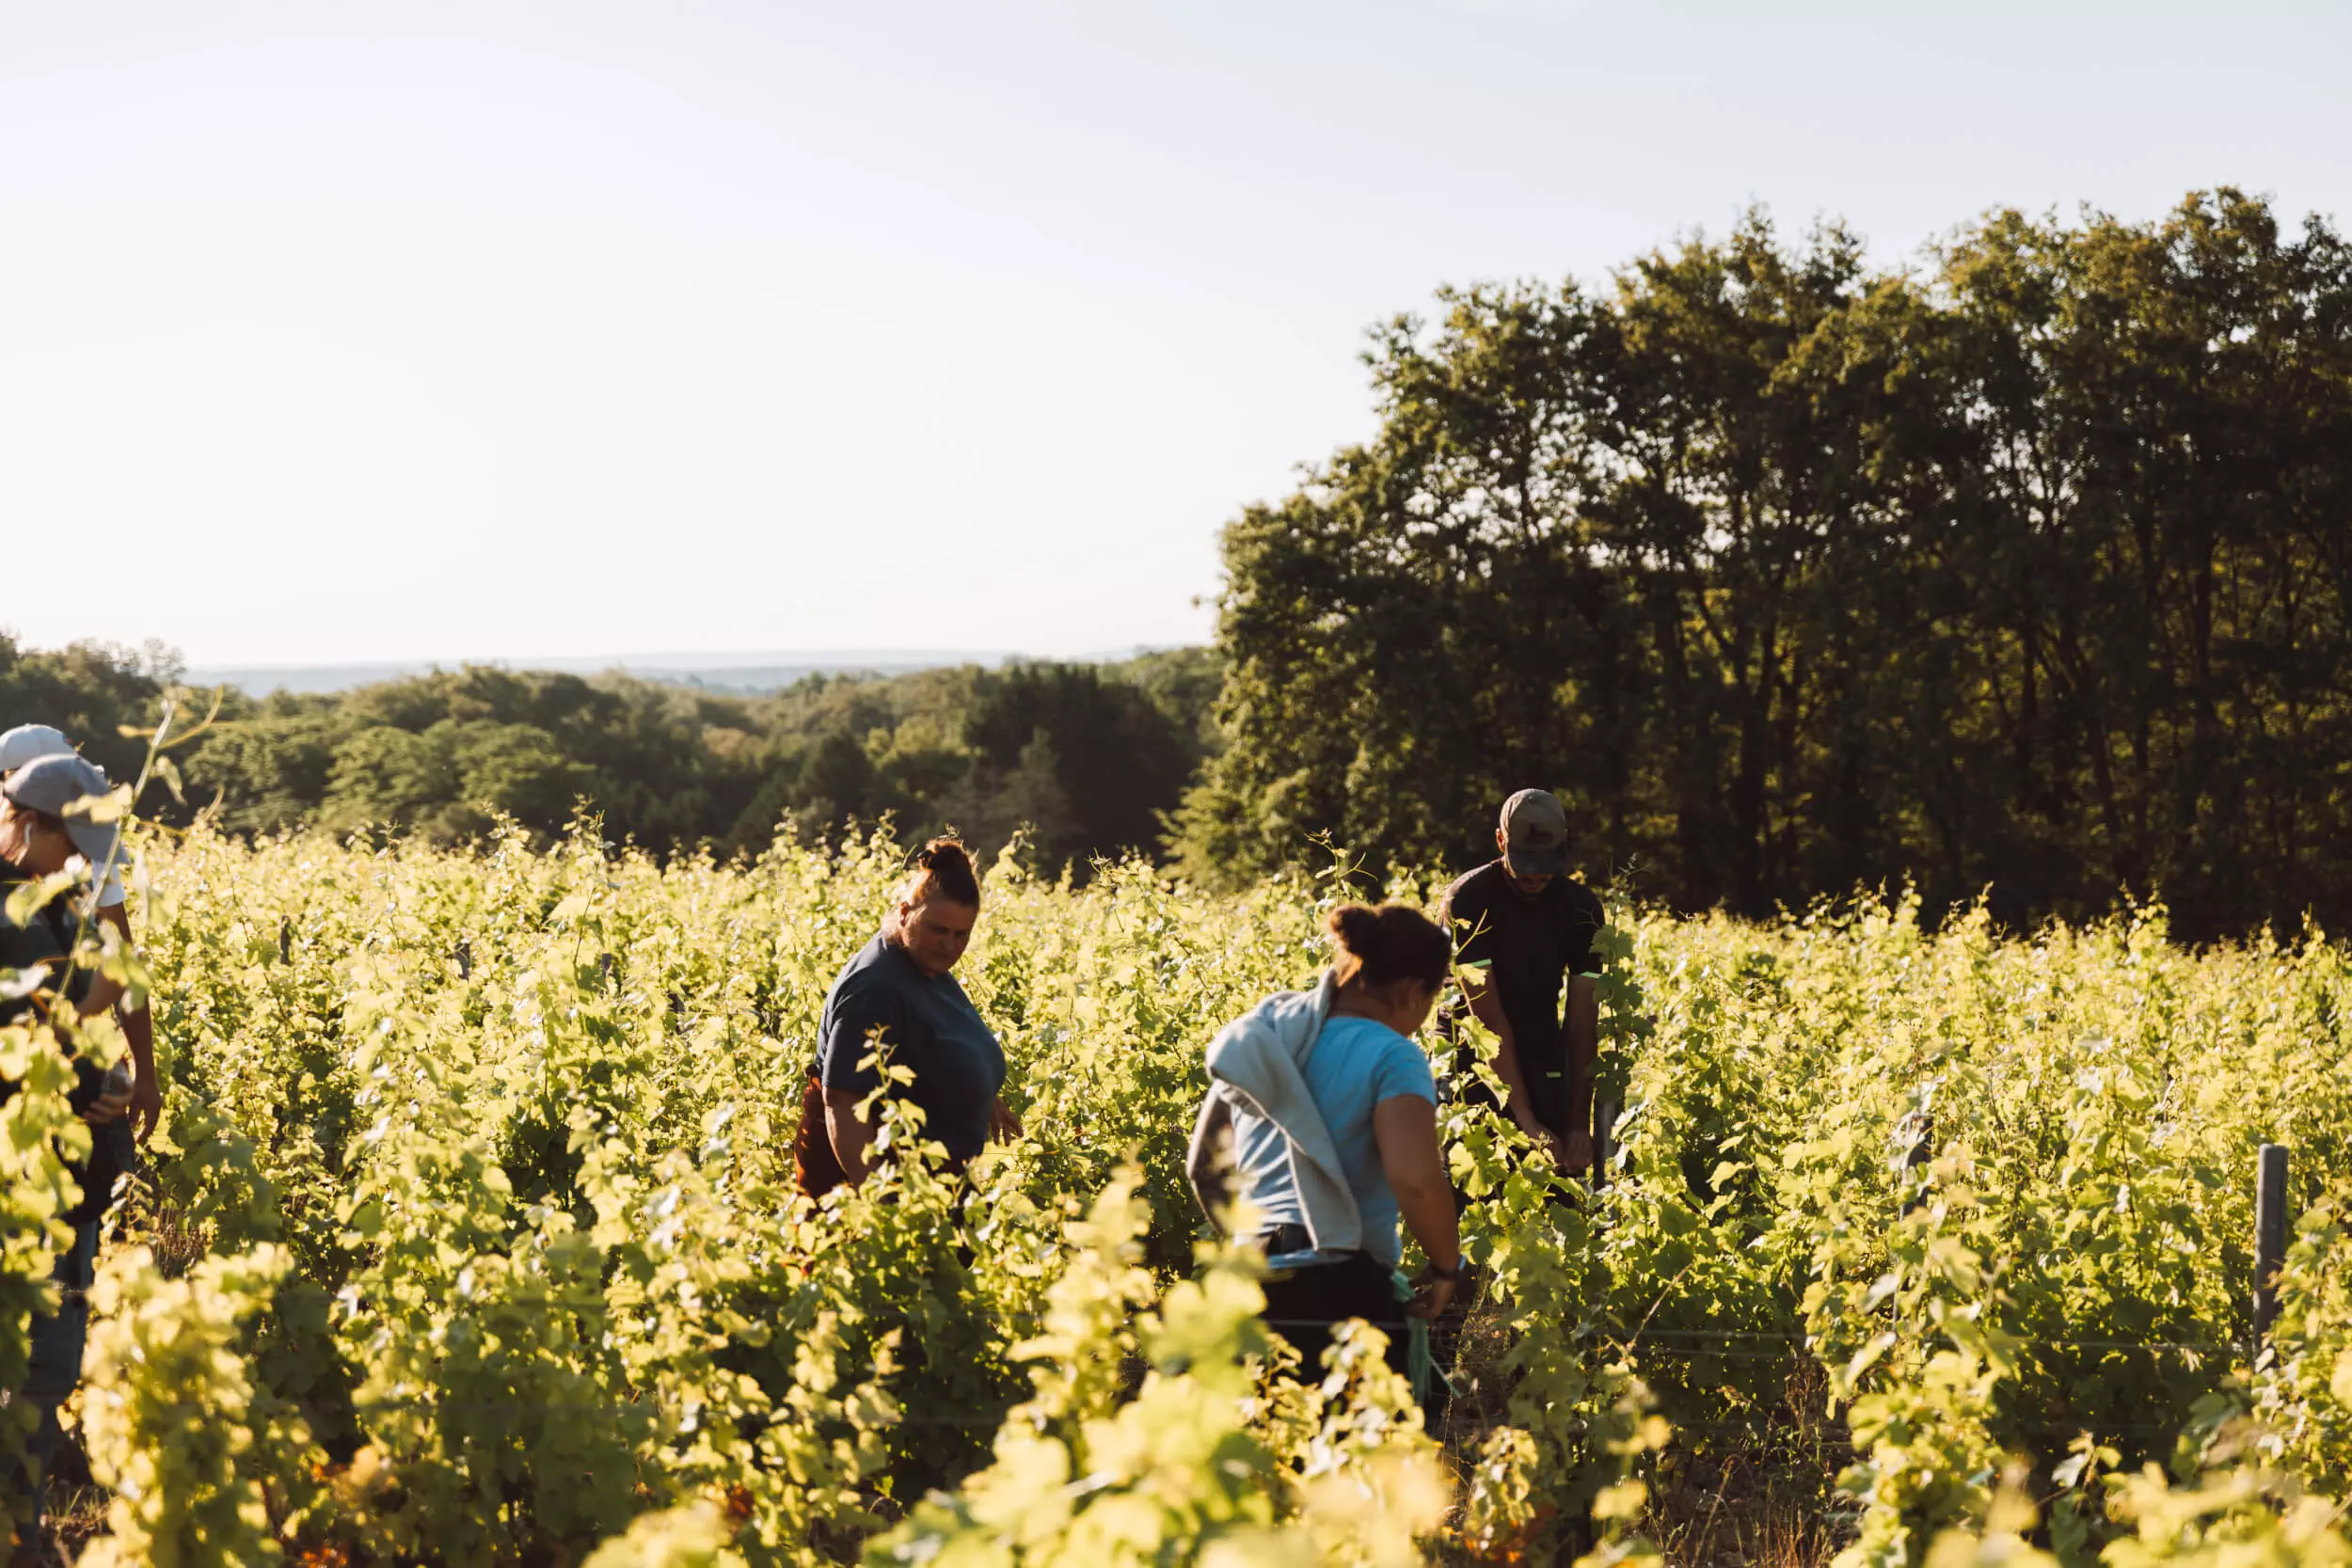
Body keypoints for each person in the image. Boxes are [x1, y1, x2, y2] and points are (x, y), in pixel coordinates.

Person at [1186, 902, 1463, 1391]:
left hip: (1246, 1285)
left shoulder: (1266, 1035)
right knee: (1362, 1458)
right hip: (1340, 1291)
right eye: (1433, 996)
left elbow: (1204, 1167)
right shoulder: (1393, 1056)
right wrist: (1445, 1270)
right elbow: (1416, 1180)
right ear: (1410, 991)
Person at [0, 753, 135, 1539]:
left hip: (64, 1175)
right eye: (74, 839)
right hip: (26, 1179)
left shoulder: (48, 902)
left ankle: (23, 1529)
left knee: (44, 1370)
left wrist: (107, 1079)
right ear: (28, 821)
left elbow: (70, 1019)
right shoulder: (11, 915)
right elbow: (27, 1038)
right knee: (35, 1363)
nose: (86, 856)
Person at [795, 837, 1021, 1196]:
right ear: (904, 913)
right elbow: (843, 1101)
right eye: (938, 930)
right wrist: (881, 1201)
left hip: (932, 1171)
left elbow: (939, 1036)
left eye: (962, 935)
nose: (950, 945)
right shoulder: (875, 988)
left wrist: (982, 1092)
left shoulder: (925, 965)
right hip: (878, 1174)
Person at [0, 724, 162, 1146]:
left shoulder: (61, 889)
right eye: (73, 845)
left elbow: (107, 979)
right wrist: (92, 1007)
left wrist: (117, 1072)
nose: (80, 860)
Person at [1438, 788, 1606, 1174]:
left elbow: (1582, 1021)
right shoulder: (1468, 900)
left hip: (1539, 1041)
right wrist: (1526, 1122)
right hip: (1471, 1050)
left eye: (1546, 861)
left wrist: (1579, 1124)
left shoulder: (1581, 909)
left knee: (1558, 1179)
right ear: (1501, 841)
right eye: (1525, 860)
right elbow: (1487, 1018)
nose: (1535, 873)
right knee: (1474, 1182)